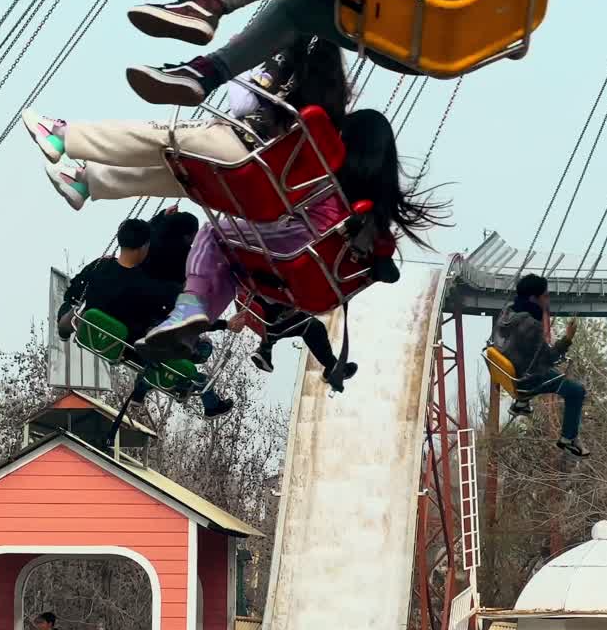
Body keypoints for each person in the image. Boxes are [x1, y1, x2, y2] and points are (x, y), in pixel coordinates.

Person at [138, 108, 447, 360]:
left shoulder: (326, 177)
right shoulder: (375, 208)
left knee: (213, 233)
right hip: (312, 276)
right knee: (233, 260)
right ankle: (190, 328)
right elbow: (384, 262)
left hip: (298, 241)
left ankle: (189, 306)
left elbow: (279, 195)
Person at [19, 35, 348, 209]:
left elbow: (242, 103)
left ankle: (63, 136)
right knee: (180, 176)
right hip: (263, 193)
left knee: (156, 138)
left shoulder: (289, 48)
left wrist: (237, 59)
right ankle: (87, 184)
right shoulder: (334, 99)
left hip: (245, 151)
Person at [59, 217, 232, 417]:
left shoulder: (99, 266)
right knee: (200, 348)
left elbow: (72, 293)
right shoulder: (147, 287)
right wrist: (225, 324)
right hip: (130, 348)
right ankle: (153, 386)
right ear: (144, 248)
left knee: (77, 305)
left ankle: (65, 328)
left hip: (92, 330)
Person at [124, 0, 423, 106]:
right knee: (295, 8)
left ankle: (208, 2)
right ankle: (204, 73)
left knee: (296, 9)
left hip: (411, 17)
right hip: (416, 47)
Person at [493, 274, 589, 458]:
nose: (548, 299)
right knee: (576, 391)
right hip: (526, 381)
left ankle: (521, 402)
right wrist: (567, 338)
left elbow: (531, 352)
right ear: (533, 299)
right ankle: (568, 439)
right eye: (545, 296)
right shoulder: (531, 326)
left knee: (546, 371)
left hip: (510, 369)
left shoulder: (508, 312)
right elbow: (549, 358)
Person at [227, 292, 357, 391]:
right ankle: (266, 347)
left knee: (310, 325)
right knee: (313, 327)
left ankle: (266, 348)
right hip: (270, 318)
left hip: (254, 310)